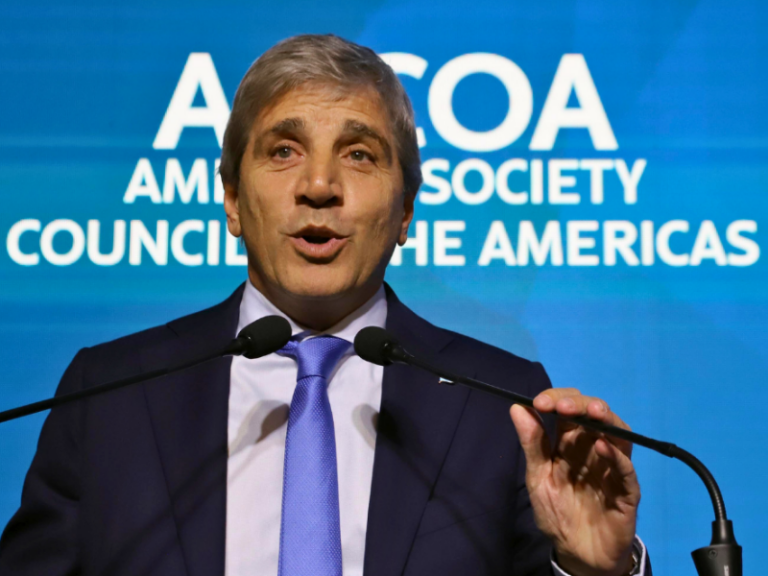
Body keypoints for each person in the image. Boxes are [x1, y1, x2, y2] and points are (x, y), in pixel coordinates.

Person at [0, 34, 649, 576]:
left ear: (405, 210)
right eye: (284, 151)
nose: (318, 185)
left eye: (359, 155)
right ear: (232, 199)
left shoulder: (502, 404)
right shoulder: (109, 394)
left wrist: (595, 572)